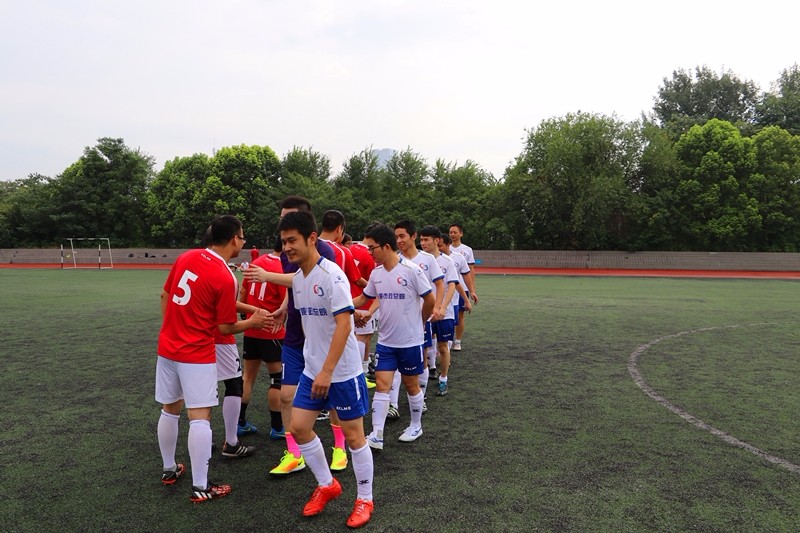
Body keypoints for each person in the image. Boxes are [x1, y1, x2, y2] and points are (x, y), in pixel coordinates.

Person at [155, 215, 269, 502]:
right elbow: (225, 327)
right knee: (200, 417)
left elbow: (165, 295)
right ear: (234, 239)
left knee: (170, 409)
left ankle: (169, 469)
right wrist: (253, 322)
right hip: (196, 353)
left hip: (167, 348)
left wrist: (171, 329)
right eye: (242, 237)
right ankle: (201, 487)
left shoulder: (187, 257)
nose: (243, 242)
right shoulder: (225, 275)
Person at [276, 210, 375, 527]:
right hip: (312, 369)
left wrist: (327, 371)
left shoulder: (332, 275)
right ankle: (327, 484)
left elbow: (345, 326)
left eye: (292, 241)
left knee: (355, 437)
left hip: (342, 373)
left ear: (311, 238)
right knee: (299, 427)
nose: (287, 248)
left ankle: (365, 499)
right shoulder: (299, 279)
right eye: (283, 242)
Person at [243, 195, 340, 476]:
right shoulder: (288, 250)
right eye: (281, 216)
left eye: (289, 216)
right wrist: (285, 308)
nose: (283, 222)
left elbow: (308, 280)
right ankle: (294, 454)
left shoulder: (325, 252)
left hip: (321, 333)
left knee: (332, 395)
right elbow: (295, 287)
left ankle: (339, 447)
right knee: (286, 395)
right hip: (296, 334)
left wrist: (267, 276)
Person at [353, 224, 434, 450]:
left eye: (372, 248)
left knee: (411, 384)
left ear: (386, 247)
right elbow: (364, 298)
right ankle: (377, 434)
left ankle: (416, 425)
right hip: (386, 341)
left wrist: (421, 321)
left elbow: (429, 299)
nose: (369, 252)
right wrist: (341, 305)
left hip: (410, 341)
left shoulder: (411, 270)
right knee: (382, 385)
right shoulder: (376, 273)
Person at [393, 220, 444, 414]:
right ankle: (393, 404)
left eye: (402, 236)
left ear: (413, 236)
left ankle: (420, 398)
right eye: (396, 237)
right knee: (394, 361)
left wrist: (437, 307)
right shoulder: (394, 259)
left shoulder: (427, 259)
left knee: (421, 356)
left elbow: (439, 284)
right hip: (398, 320)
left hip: (421, 319)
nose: (399, 240)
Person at [238, 238, 287, 440]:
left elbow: (243, 290)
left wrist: (245, 315)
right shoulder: (283, 269)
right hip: (272, 330)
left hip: (251, 327)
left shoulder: (257, 263)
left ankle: (239, 422)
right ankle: (277, 427)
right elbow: (287, 301)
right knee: (277, 379)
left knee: (247, 377)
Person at [418, 225, 458, 396]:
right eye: (421, 240)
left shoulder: (447, 261)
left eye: (426, 240)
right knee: (424, 348)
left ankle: (443, 379)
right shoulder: (418, 260)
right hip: (424, 313)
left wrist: (442, 307)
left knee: (443, 347)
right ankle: (423, 384)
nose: (423, 243)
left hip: (443, 313)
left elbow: (451, 285)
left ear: (437, 241)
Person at [448, 223, 478, 351]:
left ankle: (457, 341)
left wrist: (472, 289)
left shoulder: (467, 250)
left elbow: (471, 270)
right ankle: (447, 340)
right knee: (448, 315)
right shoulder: (445, 248)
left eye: (455, 232)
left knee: (460, 315)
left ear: (461, 233)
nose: (452, 235)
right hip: (448, 287)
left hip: (462, 287)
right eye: (451, 232)